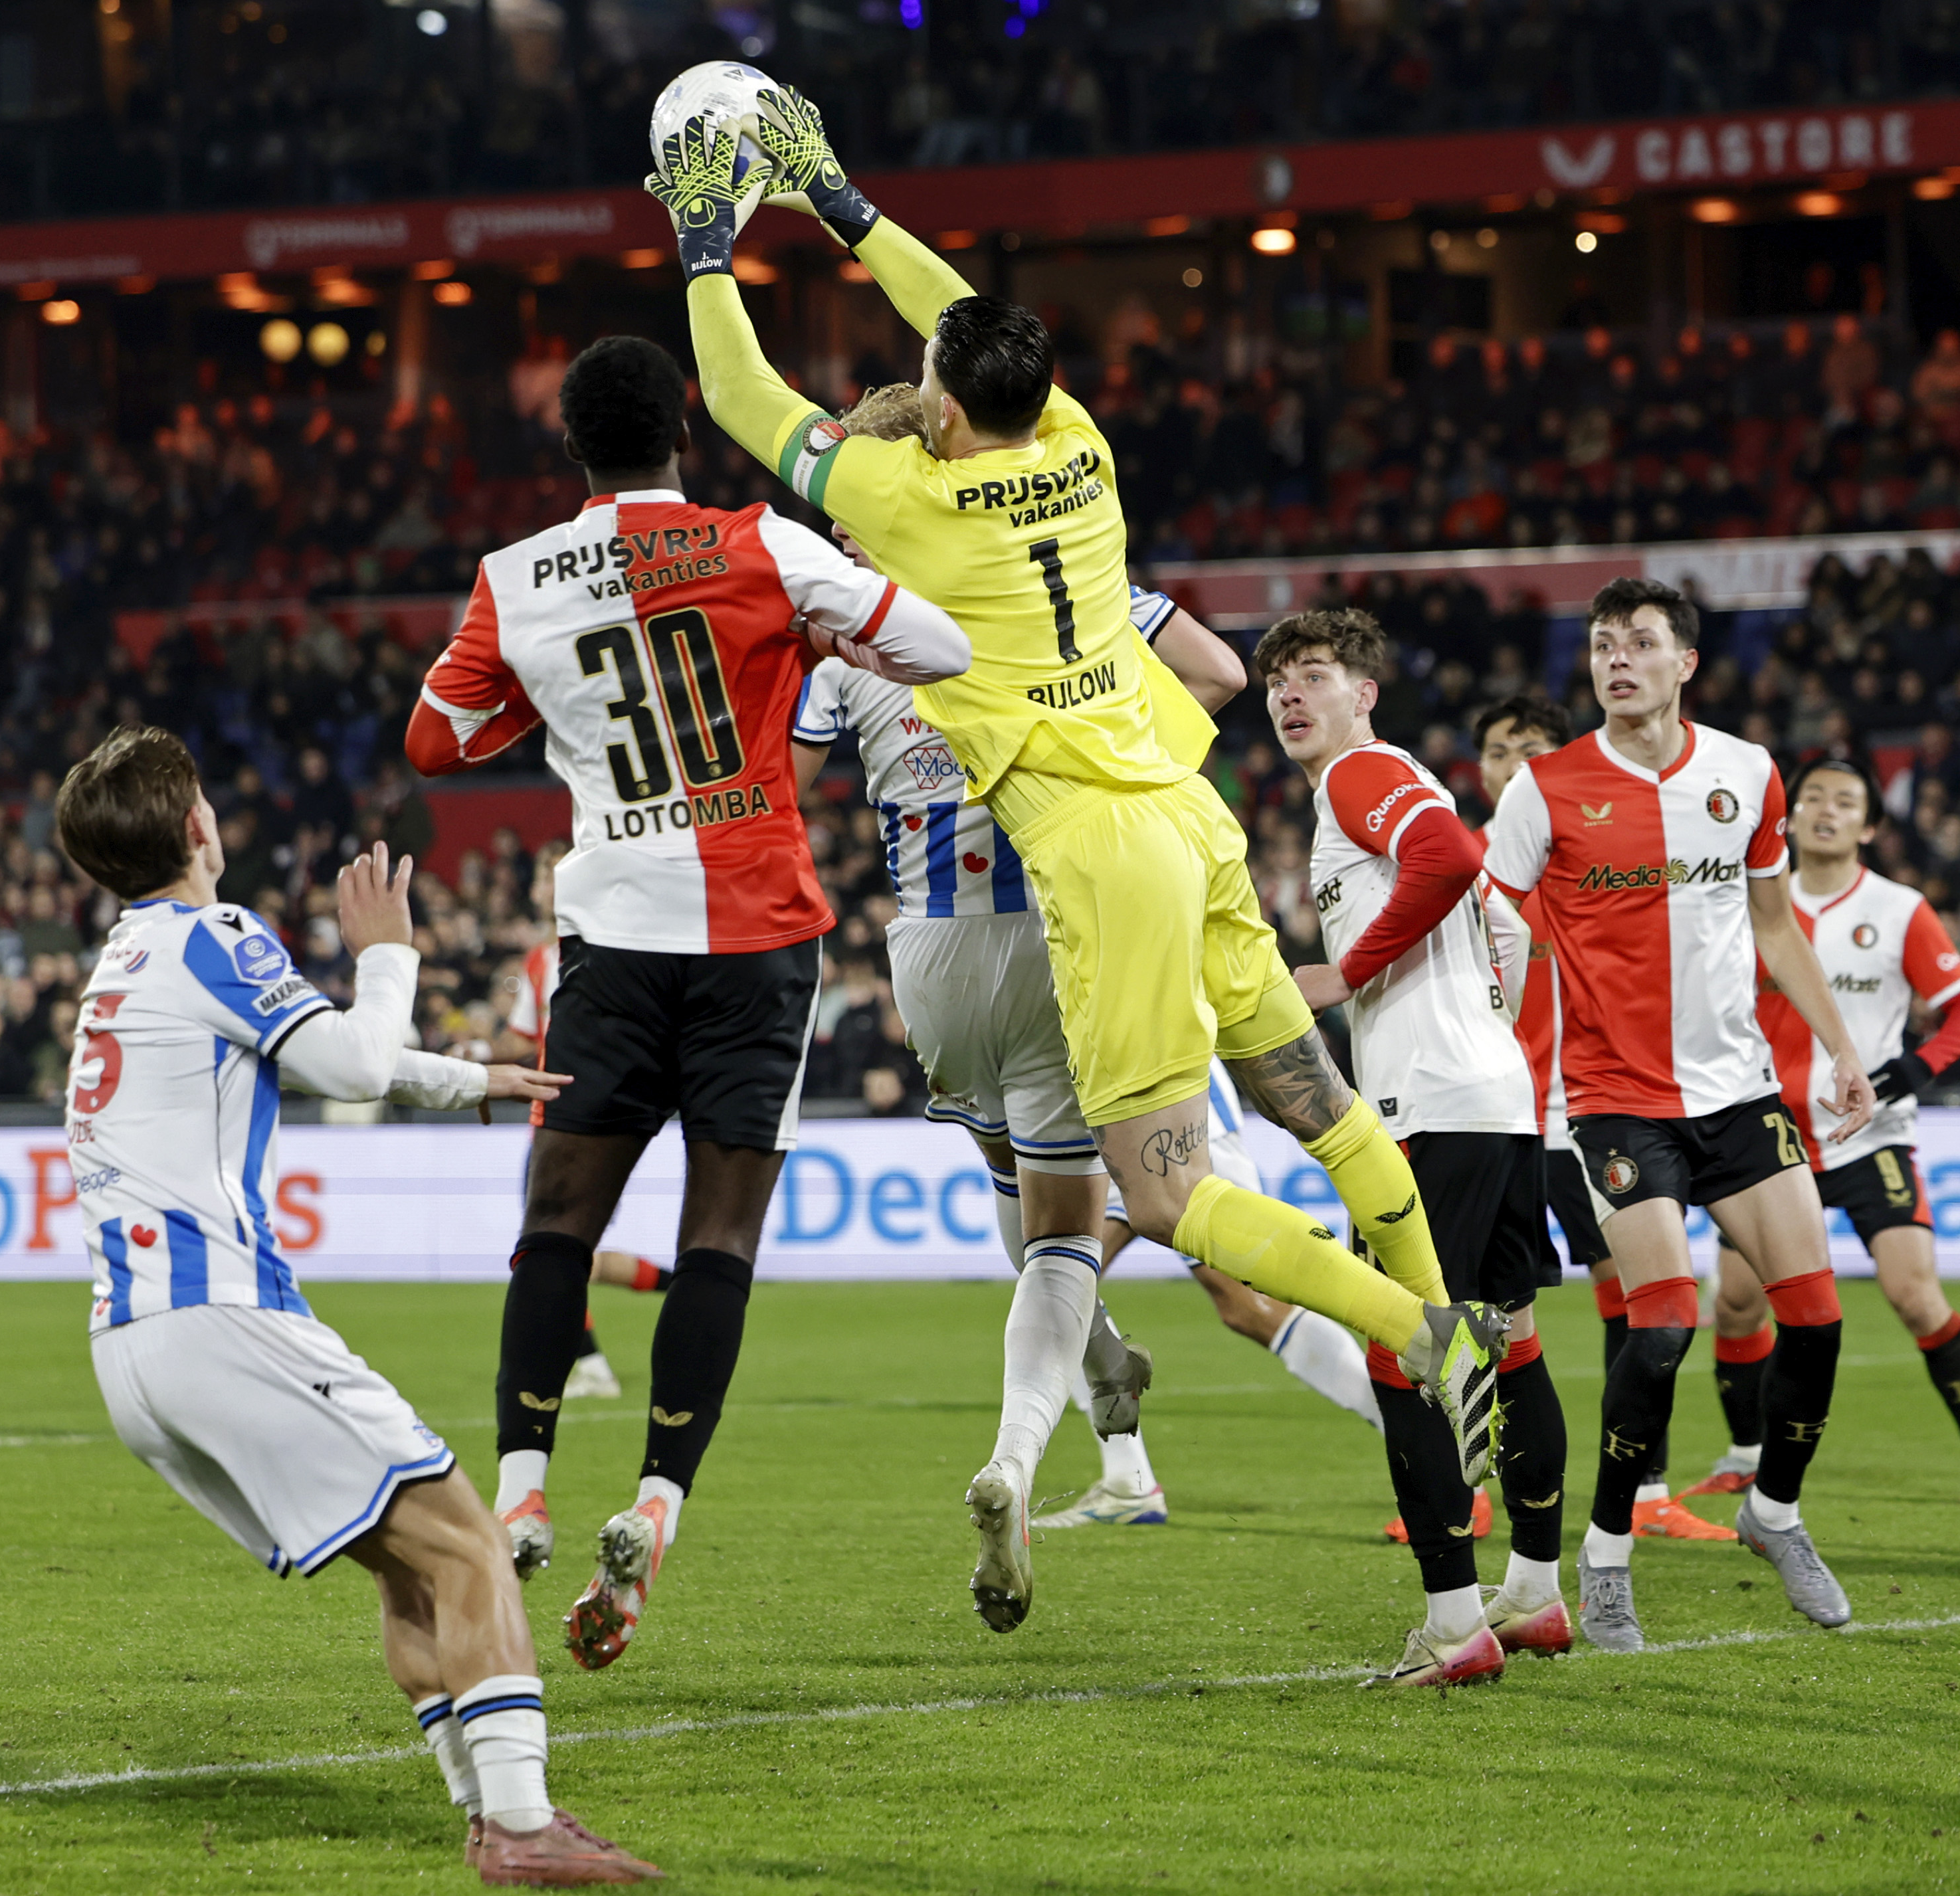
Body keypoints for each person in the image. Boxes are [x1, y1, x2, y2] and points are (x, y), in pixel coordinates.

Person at [650, 87, 1510, 1607]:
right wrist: (838, 198)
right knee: (1315, 1100)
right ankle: (1447, 1304)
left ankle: (1417, 1330)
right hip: (1189, 807)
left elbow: (733, 389)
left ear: (944, 409)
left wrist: (705, 231)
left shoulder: (902, 506)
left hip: (1098, 857)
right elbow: (959, 318)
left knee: (1164, 1195)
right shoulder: (1081, 447)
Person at [403, 334, 975, 1670]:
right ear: (682, 431)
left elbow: (436, 739)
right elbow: (938, 644)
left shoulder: (515, 577)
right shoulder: (763, 545)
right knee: (719, 1235)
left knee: (557, 1217)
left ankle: (523, 1487)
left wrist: (552, 706)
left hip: (612, 934)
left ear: (571, 446)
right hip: (756, 936)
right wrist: (818, 636)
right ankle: (655, 1504)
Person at [56, 726, 658, 1885]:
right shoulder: (216, 934)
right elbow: (351, 1062)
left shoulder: (124, 962)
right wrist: (389, 955)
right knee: (470, 1541)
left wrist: (468, 1075)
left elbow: (318, 1052)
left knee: (408, 1562)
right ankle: (522, 1826)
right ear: (196, 826)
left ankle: (487, 1810)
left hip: (132, 1343)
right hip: (222, 1315)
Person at [1482, 576, 1878, 1652]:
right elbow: (1492, 925)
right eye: (1602, 645)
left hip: (1738, 1095)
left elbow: (1775, 925)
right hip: (1615, 1100)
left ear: (1684, 662)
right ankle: (1606, 1554)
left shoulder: (1746, 771)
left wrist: (1841, 1051)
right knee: (1660, 1326)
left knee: (1817, 1316)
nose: (1617, 660)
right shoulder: (1544, 788)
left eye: (1639, 642)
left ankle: (1774, 1512)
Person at [1261, 609, 1567, 1687]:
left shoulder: (1361, 775)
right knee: (1508, 1340)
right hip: (1491, 1097)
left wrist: (1342, 976)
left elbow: (1450, 856)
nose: (1289, 694)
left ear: (1364, 693)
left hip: (1427, 1109)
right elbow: (1505, 927)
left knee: (1401, 1354)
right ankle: (1533, 1590)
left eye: (1313, 674)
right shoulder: (1399, 784)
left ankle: (1452, 1624)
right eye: (1277, 681)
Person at [1696, 759, 1960, 1506]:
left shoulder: (1899, 910)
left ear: (1868, 825)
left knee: (1913, 1294)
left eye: (1845, 801)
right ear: (1789, 816)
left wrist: (1914, 1069)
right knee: (1737, 1304)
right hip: (1766, 1137)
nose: (1826, 811)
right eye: (1812, 797)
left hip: (1869, 1135)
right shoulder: (1745, 902)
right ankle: (1745, 1454)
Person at [1475, 690, 1732, 1547]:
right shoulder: (1463, 863)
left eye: (1530, 750)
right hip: (1495, 1114)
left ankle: (1647, 1490)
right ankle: (1469, 1486)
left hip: (1592, 1111)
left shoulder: (1602, 853)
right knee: (1481, 1306)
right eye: (1497, 751)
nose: (1512, 765)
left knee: (1634, 1297)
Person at [488, 843, 671, 1404]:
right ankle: (686, 1288)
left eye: (550, 878)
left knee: (553, 1248)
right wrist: (473, 1054)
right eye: (540, 881)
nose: (540, 890)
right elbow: (521, 1040)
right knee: (569, 1251)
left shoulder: (610, 947)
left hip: (591, 1116)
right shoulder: (540, 960)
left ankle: (592, 1366)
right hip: (549, 1117)